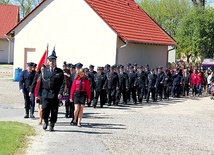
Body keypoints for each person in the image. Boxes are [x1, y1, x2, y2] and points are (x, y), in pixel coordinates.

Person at [38, 54, 64, 131]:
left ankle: (52, 123)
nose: (52, 62)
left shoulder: (59, 71)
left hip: (55, 94)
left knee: (54, 110)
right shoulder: (44, 71)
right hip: (45, 94)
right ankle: (45, 121)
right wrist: (38, 94)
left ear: (55, 62)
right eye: (50, 61)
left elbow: (62, 83)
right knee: (44, 109)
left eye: (53, 61)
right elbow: (41, 83)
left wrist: (60, 92)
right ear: (48, 62)